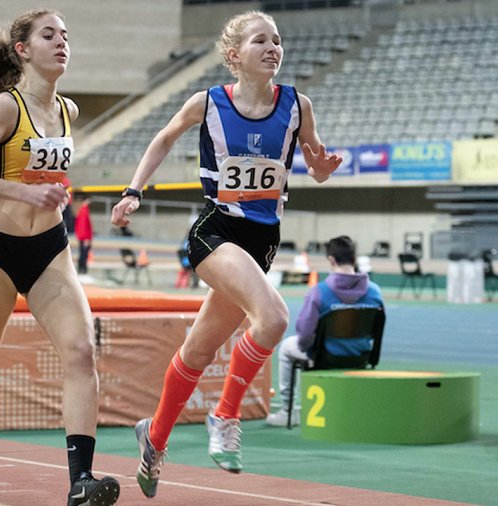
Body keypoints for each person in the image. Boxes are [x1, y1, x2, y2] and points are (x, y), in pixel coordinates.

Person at [110, 10, 342, 499]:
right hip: (215, 232)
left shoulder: (298, 105)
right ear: (235, 56)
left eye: (277, 41)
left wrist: (324, 168)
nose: (273, 48)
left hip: (263, 240)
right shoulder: (209, 102)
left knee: (198, 349)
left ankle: (153, 438)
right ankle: (226, 414)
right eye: (261, 40)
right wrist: (134, 190)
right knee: (275, 318)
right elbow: (164, 137)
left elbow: (317, 166)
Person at [0, 9, 120, 506]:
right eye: (49, 35)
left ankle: (80, 482)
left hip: (50, 252)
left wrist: (48, 195)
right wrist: (24, 194)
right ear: (23, 49)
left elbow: (45, 174)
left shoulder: (69, 111)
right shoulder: (4, 107)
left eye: (67, 34)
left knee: (82, 353)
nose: (62, 42)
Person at [264, 236, 385, 427]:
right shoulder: (375, 292)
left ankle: (287, 411)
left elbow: (304, 336)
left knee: (287, 347)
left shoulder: (319, 292)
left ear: (331, 260)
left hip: (326, 357)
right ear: (355, 259)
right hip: (361, 356)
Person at [74, 192, 93, 275]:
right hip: (84, 237)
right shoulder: (84, 211)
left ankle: (82, 270)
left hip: (82, 236)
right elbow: (83, 225)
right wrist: (86, 238)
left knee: (83, 254)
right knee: (83, 255)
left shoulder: (83, 210)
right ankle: (82, 270)